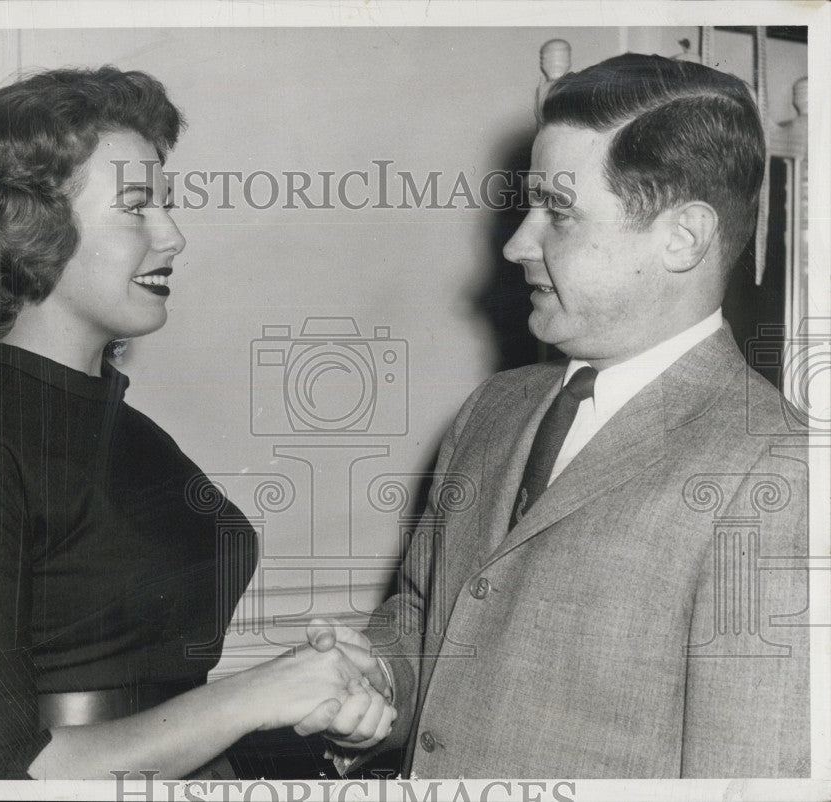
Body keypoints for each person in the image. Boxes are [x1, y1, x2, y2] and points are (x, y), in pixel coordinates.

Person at [0, 66, 394, 780]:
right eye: (138, 207)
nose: (172, 237)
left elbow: (163, 695)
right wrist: (258, 695)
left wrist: (320, 701)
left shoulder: (123, 426)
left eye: (167, 206)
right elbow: (2, 776)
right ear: (32, 229)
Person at [309, 53, 810, 777]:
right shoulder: (493, 409)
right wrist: (377, 684)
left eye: (559, 214)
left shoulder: (780, 473)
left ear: (683, 237)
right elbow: (425, 621)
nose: (517, 244)